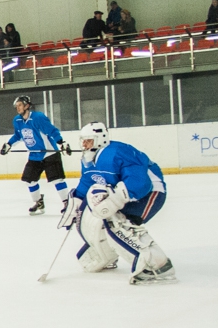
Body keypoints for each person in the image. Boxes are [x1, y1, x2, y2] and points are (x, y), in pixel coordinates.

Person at [59, 122, 174, 284]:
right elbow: (87, 182)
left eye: (88, 140)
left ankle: (158, 266)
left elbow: (141, 182)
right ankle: (106, 255)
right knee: (99, 218)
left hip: (150, 193)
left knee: (121, 222)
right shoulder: (87, 159)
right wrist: (76, 201)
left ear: (100, 139)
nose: (84, 145)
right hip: (127, 194)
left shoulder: (118, 152)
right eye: (83, 141)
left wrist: (116, 198)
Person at [0, 94, 71, 215]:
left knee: (57, 180)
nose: (18, 108)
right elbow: (18, 135)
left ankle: (67, 203)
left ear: (27, 106)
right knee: (30, 181)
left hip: (49, 153)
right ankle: (39, 202)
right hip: (34, 155)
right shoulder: (17, 120)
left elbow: (52, 130)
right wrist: (9, 144)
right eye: (16, 106)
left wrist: (61, 143)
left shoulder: (38, 118)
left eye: (20, 105)